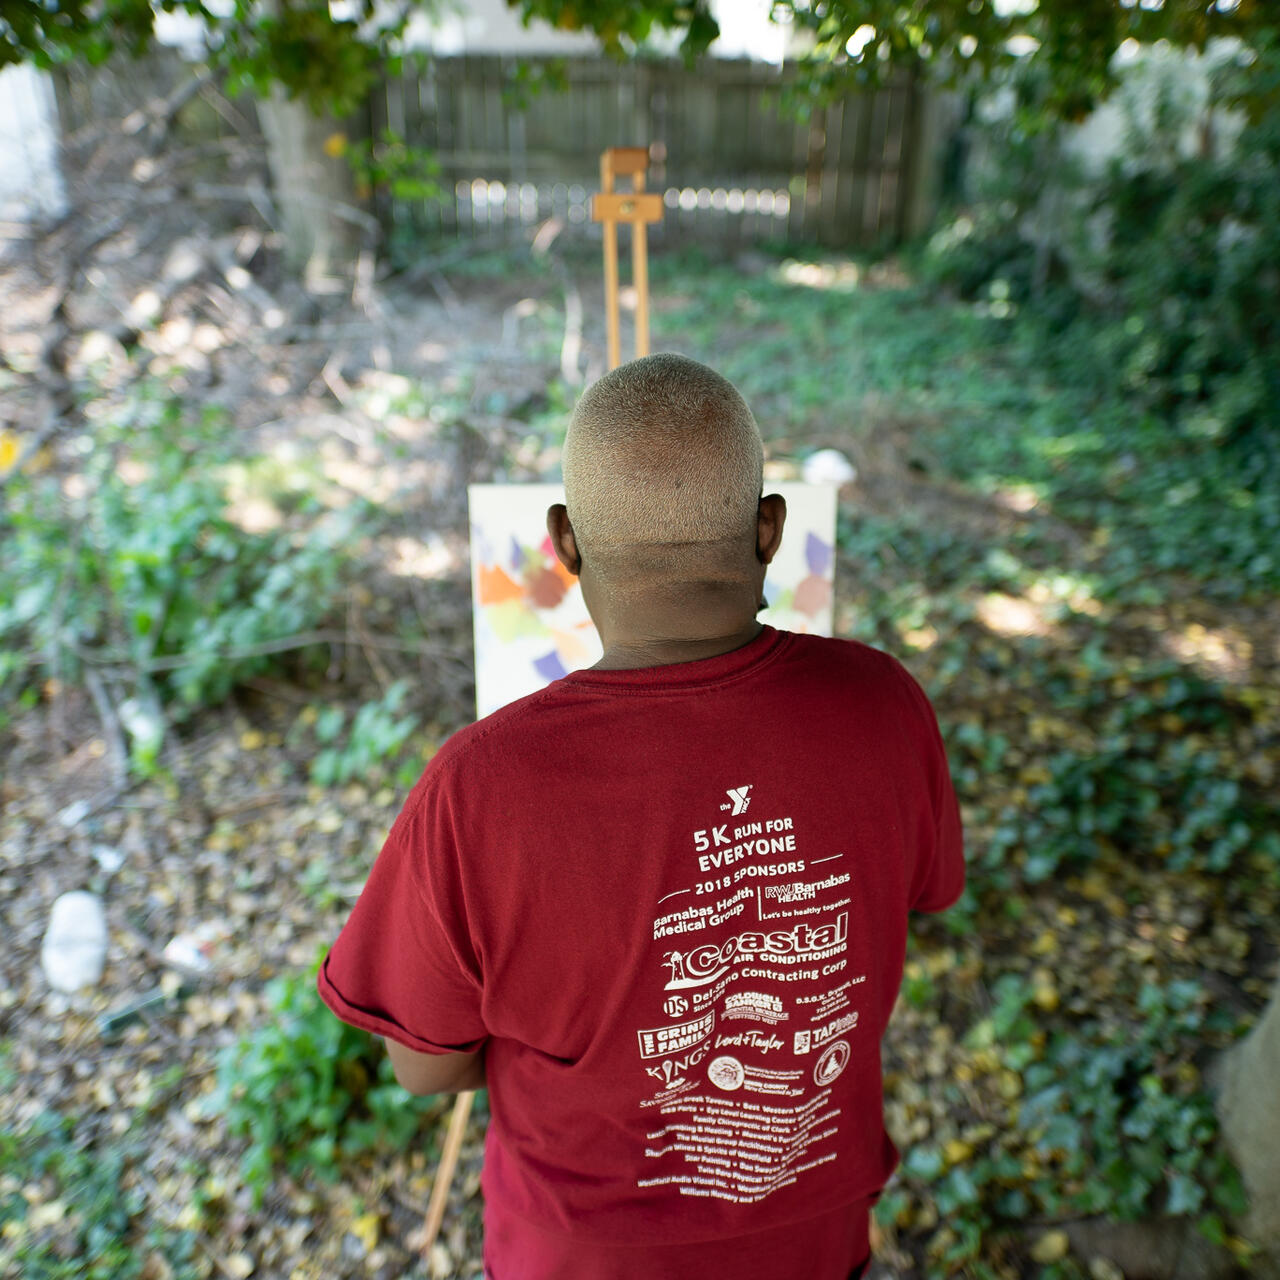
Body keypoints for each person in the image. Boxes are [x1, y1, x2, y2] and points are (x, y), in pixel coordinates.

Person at [317, 353, 965, 1280]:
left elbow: (424, 1066)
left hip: (580, 1256)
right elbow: (915, 900)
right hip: (814, 1238)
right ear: (770, 529)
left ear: (563, 543)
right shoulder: (885, 706)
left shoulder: (477, 788)